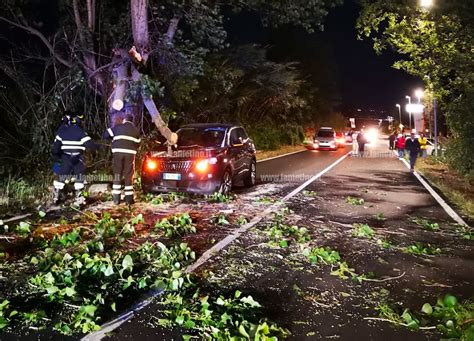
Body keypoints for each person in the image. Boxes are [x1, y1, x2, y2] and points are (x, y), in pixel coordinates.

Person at [52, 112, 97, 205]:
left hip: (65, 157)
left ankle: (56, 196)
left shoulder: (62, 131)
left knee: (62, 175)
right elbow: (90, 145)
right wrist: (99, 146)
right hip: (77, 157)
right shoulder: (81, 132)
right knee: (79, 176)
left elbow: (55, 147)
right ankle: (79, 198)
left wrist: (57, 157)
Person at [103, 114, 141, 205]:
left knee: (117, 174)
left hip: (118, 153)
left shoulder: (117, 127)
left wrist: (113, 139)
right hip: (130, 154)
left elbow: (105, 134)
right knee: (129, 175)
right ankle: (129, 199)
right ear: (132, 121)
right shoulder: (136, 130)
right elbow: (138, 144)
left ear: (124, 120)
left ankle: (116, 199)